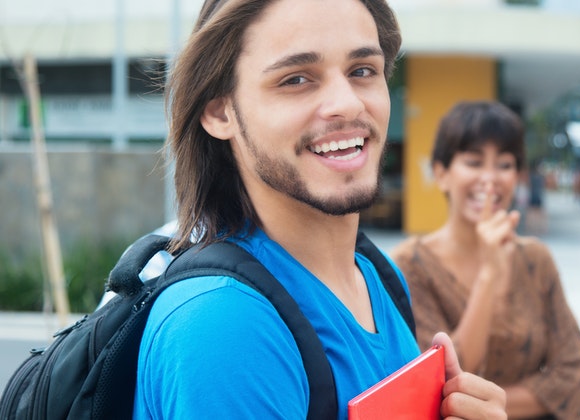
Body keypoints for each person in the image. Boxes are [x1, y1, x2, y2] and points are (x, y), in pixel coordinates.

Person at [133, 0, 507, 418]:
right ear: (221, 112)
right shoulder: (223, 324)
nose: (346, 104)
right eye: (296, 79)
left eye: (362, 70)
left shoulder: (376, 275)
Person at [391, 101, 580, 419]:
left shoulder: (535, 259)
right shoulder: (408, 266)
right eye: (473, 161)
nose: (490, 178)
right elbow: (437, 384)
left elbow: (573, 374)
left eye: (505, 164)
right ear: (441, 174)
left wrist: (491, 406)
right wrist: (490, 273)